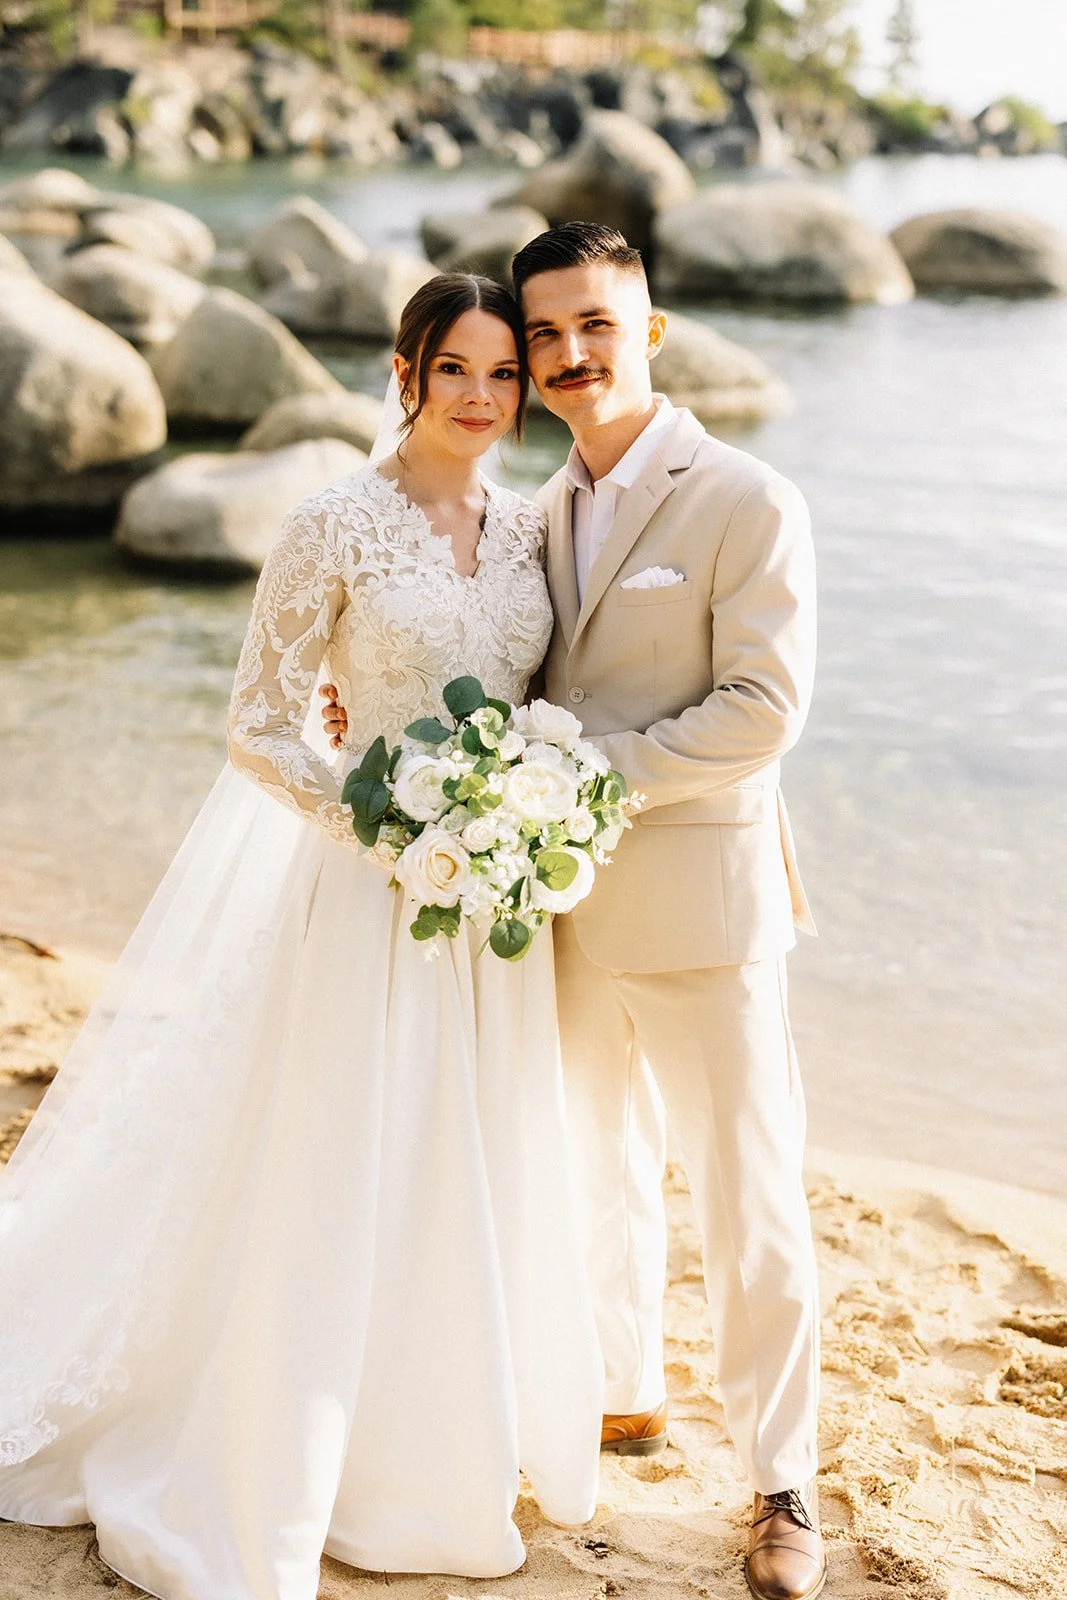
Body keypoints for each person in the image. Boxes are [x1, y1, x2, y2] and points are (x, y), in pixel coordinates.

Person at [0, 273, 604, 1597]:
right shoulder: (333, 523)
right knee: (336, 1147)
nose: (485, 399)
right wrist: (385, 822)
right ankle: (292, 1439)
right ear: (405, 369)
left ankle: (430, 1434)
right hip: (364, 883)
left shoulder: (526, 531)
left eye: (507, 376)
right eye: (459, 370)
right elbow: (261, 724)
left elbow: (546, 701)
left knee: (462, 1146)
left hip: (486, 905)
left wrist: (510, 818)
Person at [322, 222, 826, 1600]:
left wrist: (571, 780)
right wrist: (366, 705)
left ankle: (784, 1482)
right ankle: (619, 1392)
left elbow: (761, 712)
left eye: (593, 324)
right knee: (587, 1167)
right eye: (543, 334)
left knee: (748, 1197)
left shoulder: (743, 499)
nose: (564, 355)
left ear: (649, 328)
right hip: (546, 911)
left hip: (703, 907)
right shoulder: (536, 509)